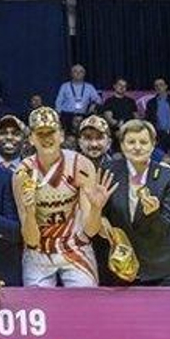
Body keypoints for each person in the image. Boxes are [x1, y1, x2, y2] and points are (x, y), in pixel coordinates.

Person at [14, 107, 105, 287]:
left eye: (51, 132)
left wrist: (96, 209)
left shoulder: (82, 165)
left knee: (87, 300)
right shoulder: (23, 173)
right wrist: (30, 213)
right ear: (31, 138)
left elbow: (90, 231)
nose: (46, 138)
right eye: (40, 133)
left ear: (61, 135)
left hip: (76, 246)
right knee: (36, 304)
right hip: (38, 250)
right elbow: (30, 240)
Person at [102, 119, 170, 286]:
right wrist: (101, 218)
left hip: (161, 271)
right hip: (120, 267)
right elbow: (102, 213)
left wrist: (152, 214)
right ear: (122, 145)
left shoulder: (168, 177)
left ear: (153, 145)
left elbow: (167, 227)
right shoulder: (108, 172)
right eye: (131, 142)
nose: (137, 147)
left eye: (144, 142)